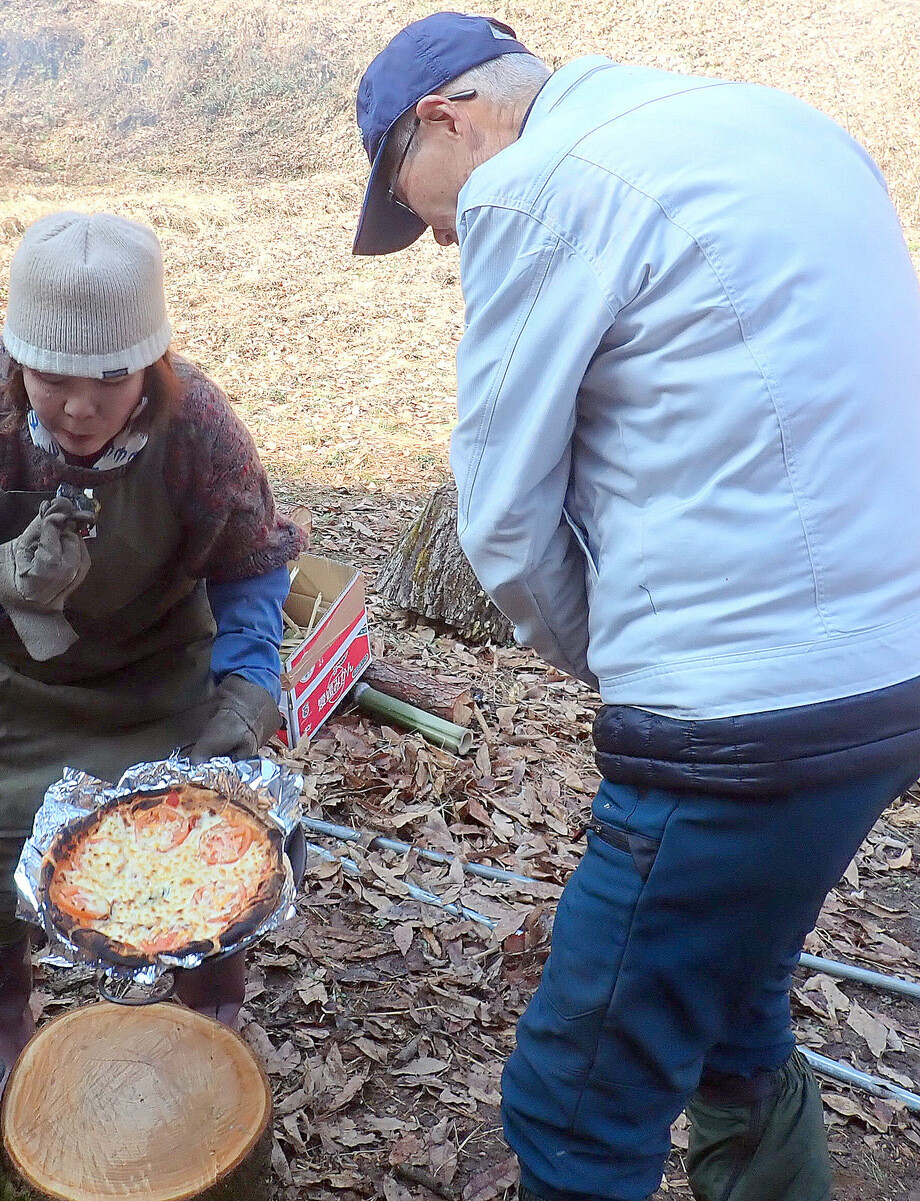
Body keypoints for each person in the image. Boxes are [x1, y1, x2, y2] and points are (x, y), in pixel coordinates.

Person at [352, 14, 920, 1201]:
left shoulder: (536, 185)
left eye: (415, 206)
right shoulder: (778, 124)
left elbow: (505, 520)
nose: (441, 235)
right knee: (733, 979)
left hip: (738, 716)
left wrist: (613, 665)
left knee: (578, 1095)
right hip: (891, 676)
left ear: (447, 119)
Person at [0, 211, 306, 1067]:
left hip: (158, 665)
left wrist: (247, 680)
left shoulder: (199, 424)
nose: (80, 407)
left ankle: (212, 1016)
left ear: (151, 366)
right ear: (17, 362)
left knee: (210, 858)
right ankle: (9, 1036)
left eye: (112, 378)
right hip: (12, 680)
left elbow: (253, 561)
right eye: (51, 378)